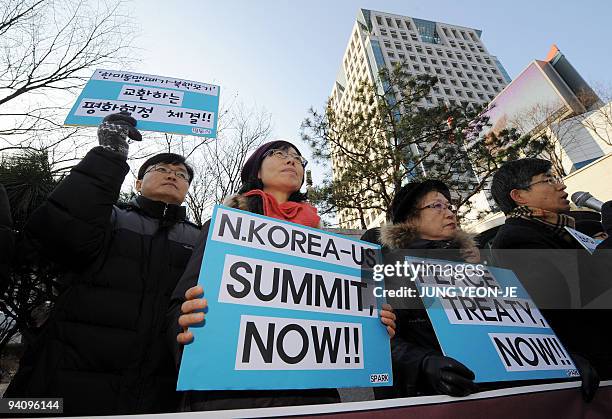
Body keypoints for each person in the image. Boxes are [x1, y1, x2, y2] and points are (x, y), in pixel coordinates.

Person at [167, 140, 397, 411]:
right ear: (257, 173)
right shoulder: (223, 226)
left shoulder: (332, 248)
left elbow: (347, 314)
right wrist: (184, 324)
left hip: (315, 398)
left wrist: (376, 324)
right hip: (225, 399)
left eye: (298, 158)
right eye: (279, 154)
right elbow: (179, 304)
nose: (292, 160)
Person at [5, 113, 201, 415]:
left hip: (159, 395)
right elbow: (57, 234)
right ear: (137, 182)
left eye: (181, 174)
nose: (172, 175)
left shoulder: (201, 239)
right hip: (60, 387)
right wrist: (107, 159)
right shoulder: (108, 217)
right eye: (160, 168)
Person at [490, 157, 605, 400]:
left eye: (557, 179)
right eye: (548, 180)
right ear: (519, 196)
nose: (561, 186)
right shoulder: (515, 239)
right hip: (594, 365)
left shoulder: (568, 228)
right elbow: (567, 299)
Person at [361, 180, 479, 398]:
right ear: (410, 219)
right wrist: (423, 364)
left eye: (449, 206)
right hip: (421, 397)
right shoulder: (386, 267)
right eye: (437, 206)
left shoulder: (470, 265)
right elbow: (374, 337)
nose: (450, 213)